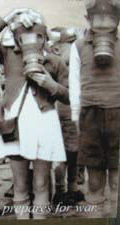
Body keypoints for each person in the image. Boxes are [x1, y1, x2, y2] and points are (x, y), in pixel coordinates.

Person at [0, 9, 69, 219]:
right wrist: (10, 15)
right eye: (23, 35)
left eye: (37, 35)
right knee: (20, 184)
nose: (30, 40)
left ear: (45, 36)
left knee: (41, 183)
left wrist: (49, 84)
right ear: (16, 37)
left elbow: (69, 97)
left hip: (44, 123)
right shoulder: (8, 54)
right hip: (15, 123)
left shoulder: (54, 61)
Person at [69, 0, 120, 217]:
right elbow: (74, 82)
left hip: (118, 111)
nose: (103, 23)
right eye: (97, 18)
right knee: (95, 179)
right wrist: (75, 116)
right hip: (89, 115)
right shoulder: (78, 46)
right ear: (88, 20)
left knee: (117, 179)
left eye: (109, 18)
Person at [48, 27, 85, 207]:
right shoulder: (66, 55)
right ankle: (64, 191)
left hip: (66, 108)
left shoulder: (56, 55)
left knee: (70, 153)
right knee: (67, 153)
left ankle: (69, 189)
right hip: (66, 109)